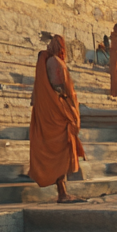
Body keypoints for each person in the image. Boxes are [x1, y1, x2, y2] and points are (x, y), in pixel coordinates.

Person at [29, 34, 86, 203]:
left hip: (50, 113)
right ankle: (62, 193)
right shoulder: (54, 62)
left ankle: (63, 191)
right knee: (62, 150)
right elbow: (58, 85)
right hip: (57, 114)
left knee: (61, 151)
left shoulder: (46, 62)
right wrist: (69, 102)